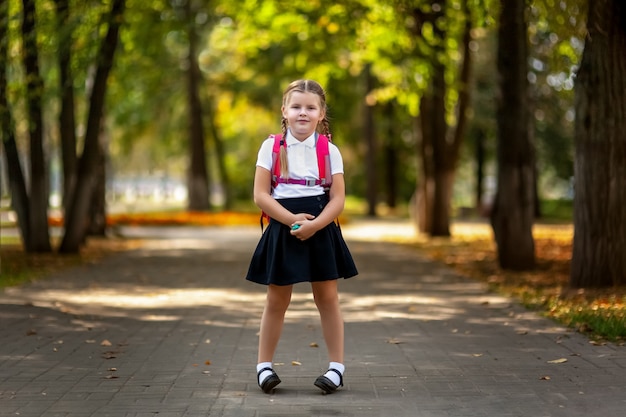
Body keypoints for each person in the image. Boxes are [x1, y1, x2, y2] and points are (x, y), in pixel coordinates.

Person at [246, 79, 358, 394]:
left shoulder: (329, 150)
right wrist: (292, 220)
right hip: (284, 225)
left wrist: (316, 224)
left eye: (310, 108)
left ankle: (336, 368)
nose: (303, 113)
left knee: (327, 298)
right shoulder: (271, 147)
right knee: (277, 298)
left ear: (321, 113)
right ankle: (263, 366)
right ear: (284, 110)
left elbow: (337, 198)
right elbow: (260, 195)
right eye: (296, 107)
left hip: (320, 226)